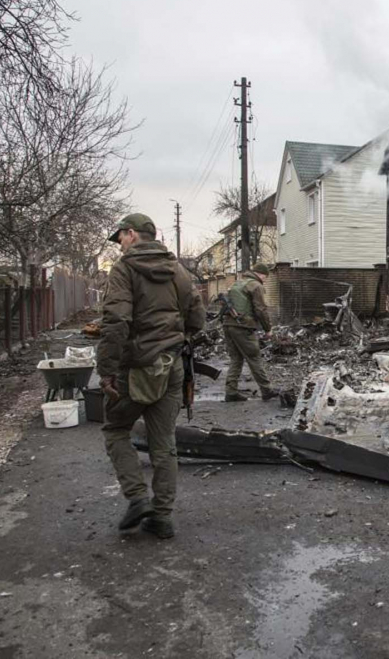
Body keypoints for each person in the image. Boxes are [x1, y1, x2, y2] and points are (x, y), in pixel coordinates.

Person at [96, 213, 205, 539]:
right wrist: (177, 335)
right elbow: (197, 316)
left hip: (135, 368)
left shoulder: (124, 269)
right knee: (164, 443)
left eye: (120, 239)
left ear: (132, 234)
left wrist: (107, 370)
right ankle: (162, 516)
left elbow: (116, 321)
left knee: (116, 430)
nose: (119, 245)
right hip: (170, 366)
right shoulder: (178, 270)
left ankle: (137, 498)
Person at [223, 263, 279, 402]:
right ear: (261, 274)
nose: (265, 280)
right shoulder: (256, 285)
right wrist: (268, 329)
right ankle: (266, 390)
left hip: (228, 324)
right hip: (243, 326)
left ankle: (231, 391)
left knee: (236, 359)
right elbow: (260, 309)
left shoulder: (239, 283)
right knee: (254, 358)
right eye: (265, 277)